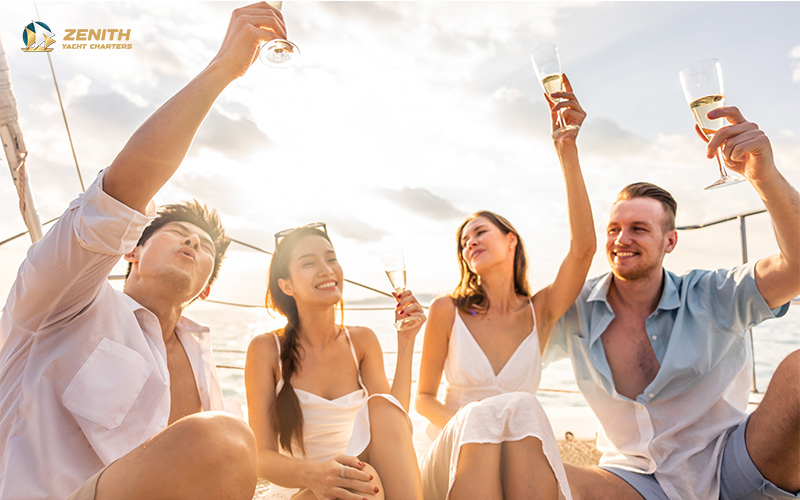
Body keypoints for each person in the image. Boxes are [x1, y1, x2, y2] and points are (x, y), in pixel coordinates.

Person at [0, 3, 288, 499]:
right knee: (221, 437)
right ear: (132, 249)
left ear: (207, 286)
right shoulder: (62, 301)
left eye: (205, 250)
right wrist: (223, 69)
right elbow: (120, 195)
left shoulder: (200, 356)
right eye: (178, 233)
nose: (193, 242)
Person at [546, 106, 800, 499]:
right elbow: (510, 336)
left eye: (639, 229)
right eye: (614, 229)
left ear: (670, 242)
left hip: (731, 466)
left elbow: (796, 268)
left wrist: (762, 177)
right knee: (524, 464)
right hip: (632, 480)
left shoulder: (713, 294)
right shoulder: (577, 308)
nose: (620, 239)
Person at [415, 75, 594, 500]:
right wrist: (478, 422)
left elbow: (584, 248)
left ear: (510, 238)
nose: (469, 241)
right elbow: (422, 399)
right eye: (463, 240)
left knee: (524, 409)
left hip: (516, 450)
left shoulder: (541, 311)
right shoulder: (447, 310)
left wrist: (566, 150)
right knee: (500, 413)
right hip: (453, 445)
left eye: (480, 232)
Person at [245, 224, 425, 500]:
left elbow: (393, 424)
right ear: (286, 285)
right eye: (309, 262)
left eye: (331, 259)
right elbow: (262, 458)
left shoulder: (362, 341)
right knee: (358, 481)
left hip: (360, 481)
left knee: (378, 422)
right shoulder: (266, 349)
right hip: (302, 491)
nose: (327, 269)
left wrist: (406, 342)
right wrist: (317, 475)